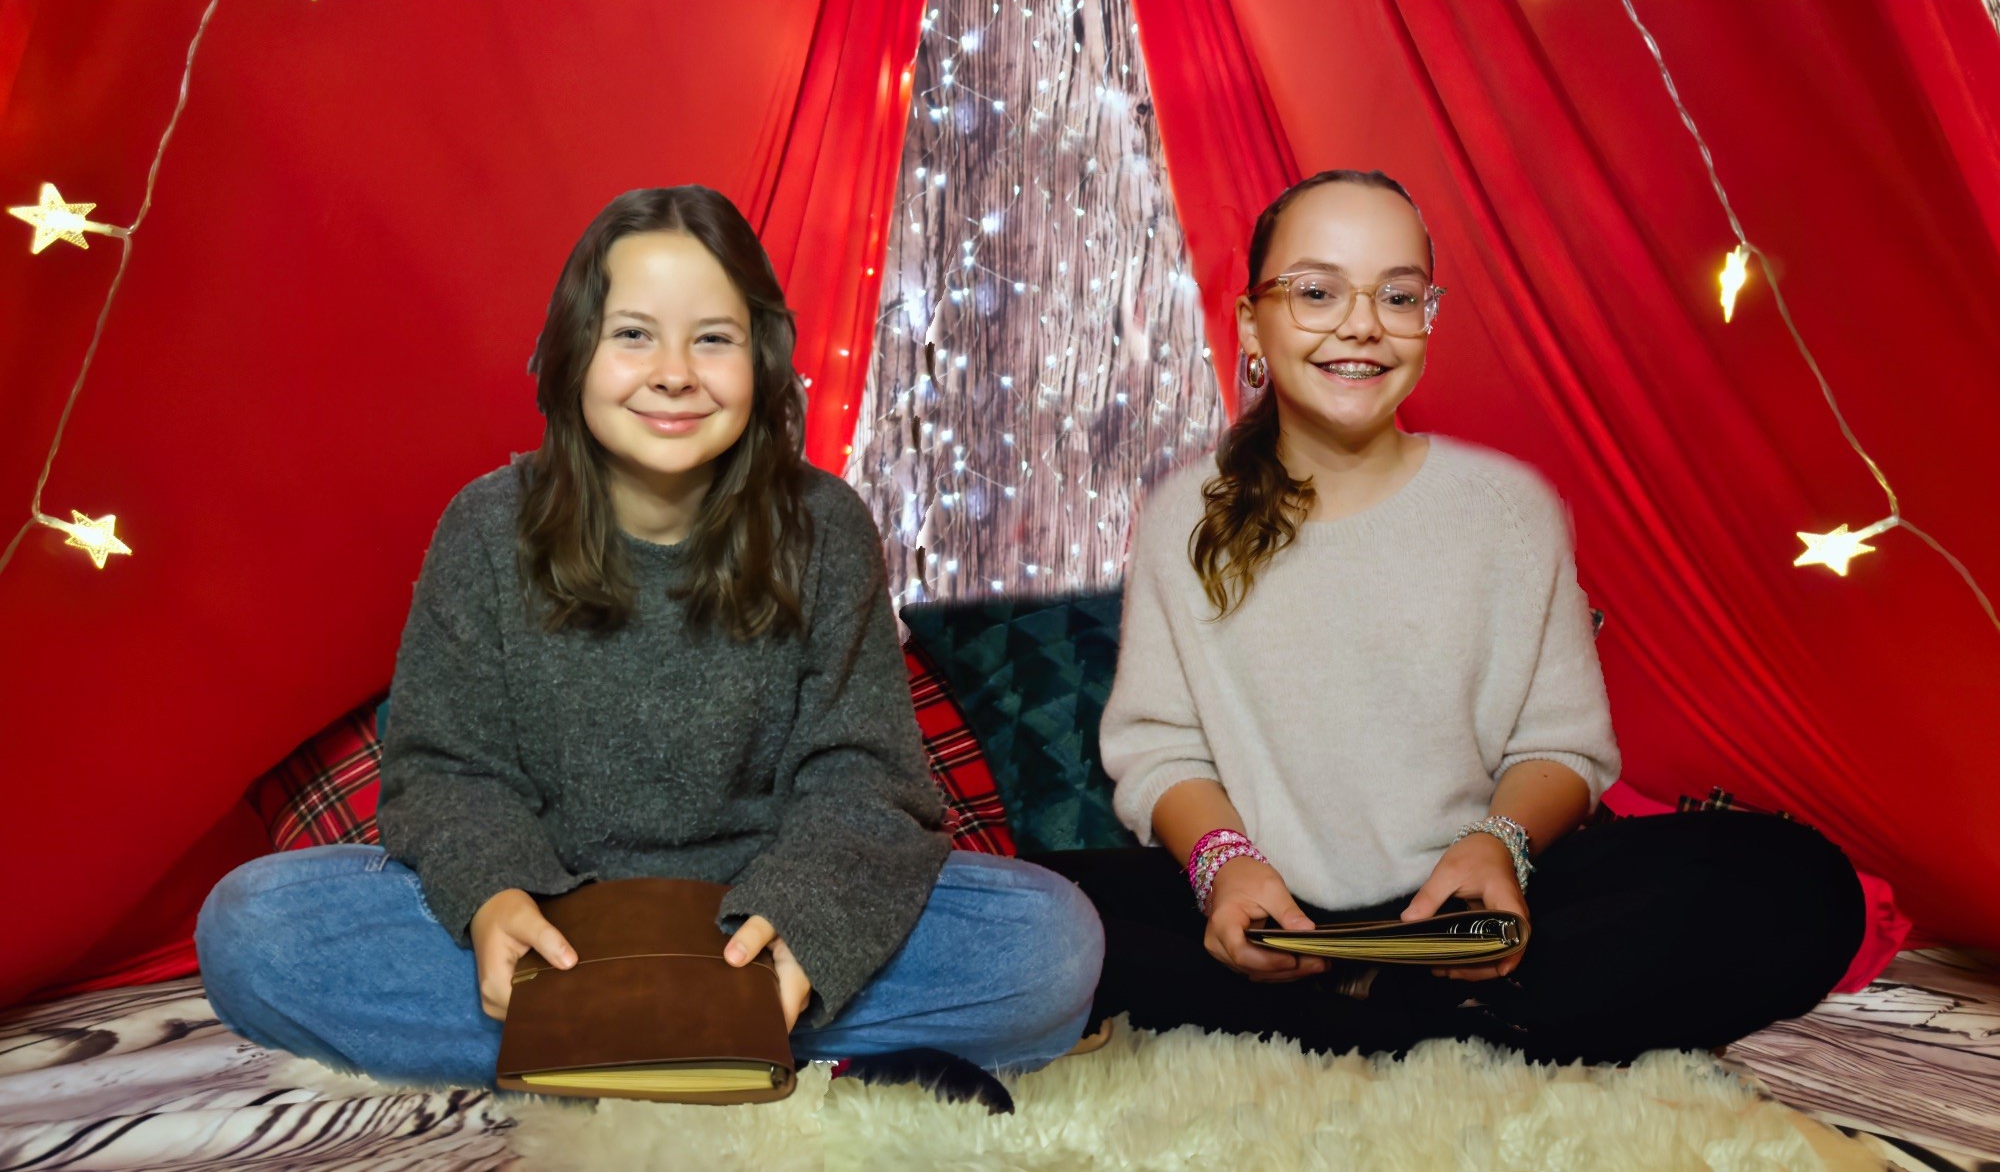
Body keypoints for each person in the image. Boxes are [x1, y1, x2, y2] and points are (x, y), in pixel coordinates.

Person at [197, 186, 1102, 1086]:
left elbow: (863, 773)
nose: (674, 373)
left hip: (759, 920)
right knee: (251, 927)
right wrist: (493, 898)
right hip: (556, 926)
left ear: (762, 359)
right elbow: (446, 770)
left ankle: (658, 1031)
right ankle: (671, 1034)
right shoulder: (485, 525)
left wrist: (807, 925)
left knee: (1052, 946)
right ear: (574, 353)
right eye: (633, 334)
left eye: (713, 338)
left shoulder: (826, 525)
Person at [1042, 169, 1863, 1065]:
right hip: (1267, 910)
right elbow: (1160, 749)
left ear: (1427, 318)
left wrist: (1497, 846)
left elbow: (1562, 745)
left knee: (1804, 884)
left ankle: (1380, 1010)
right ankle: (1440, 1021)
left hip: (1464, 913)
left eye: (1398, 296)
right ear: (1249, 322)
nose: (1362, 324)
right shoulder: (1181, 516)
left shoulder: (1511, 506)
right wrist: (1224, 867)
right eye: (1317, 291)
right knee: (1026, 904)